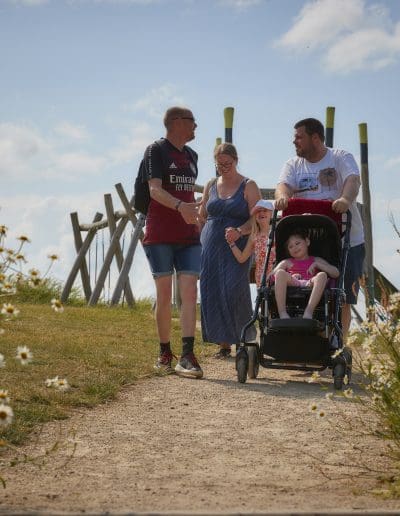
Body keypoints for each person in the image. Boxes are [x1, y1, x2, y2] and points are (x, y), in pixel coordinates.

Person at [275, 118, 365, 340]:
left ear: (315, 138)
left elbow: (353, 180)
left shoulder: (340, 158)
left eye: (299, 137)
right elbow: (283, 185)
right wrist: (283, 197)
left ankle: (338, 340)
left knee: (343, 295)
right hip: (308, 240)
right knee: (301, 287)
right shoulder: (293, 164)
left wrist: (345, 198)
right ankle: (297, 334)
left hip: (345, 238)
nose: (294, 141)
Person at [141, 106, 203, 379]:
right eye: (192, 122)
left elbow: (189, 194)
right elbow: (154, 190)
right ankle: (165, 352)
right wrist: (180, 206)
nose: (196, 127)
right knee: (164, 294)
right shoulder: (156, 150)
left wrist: (195, 214)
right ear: (177, 123)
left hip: (189, 235)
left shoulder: (193, 156)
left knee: (189, 293)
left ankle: (188, 355)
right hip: (160, 234)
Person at [199, 143, 261, 359]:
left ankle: (244, 340)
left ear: (236, 160)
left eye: (228, 163)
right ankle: (223, 344)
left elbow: (257, 216)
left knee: (235, 290)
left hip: (238, 243)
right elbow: (203, 214)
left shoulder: (248, 185)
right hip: (211, 243)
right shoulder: (210, 184)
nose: (224, 167)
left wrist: (240, 231)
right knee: (212, 289)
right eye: (220, 164)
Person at [272, 228, 339, 319]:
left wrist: (318, 265)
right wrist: (288, 276)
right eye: (290, 246)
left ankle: (309, 311)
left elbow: (336, 273)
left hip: (310, 282)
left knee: (322, 275)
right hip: (293, 281)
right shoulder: (286, 262)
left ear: (307, 242)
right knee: (279, 273)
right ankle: (282, 313)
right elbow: (272, 277)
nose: (294, 247)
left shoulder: (315, 260)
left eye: (297, 243)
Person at [226, 199, 275, 288]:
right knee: (264, 301)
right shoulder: (254, 237)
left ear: (272, 214)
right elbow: (242, 258)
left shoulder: (277, 233)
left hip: (277, 274)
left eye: (265, 210)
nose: (261, 213)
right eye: (258, 211)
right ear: (255, 216)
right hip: (261, 277)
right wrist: (231, 243)